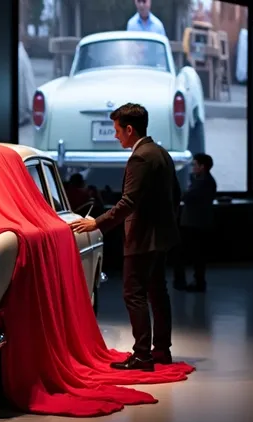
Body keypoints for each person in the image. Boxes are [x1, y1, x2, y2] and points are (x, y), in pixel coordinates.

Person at [70, 103, 180, 371]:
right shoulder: (161, 153)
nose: (116, 136)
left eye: (117, 130)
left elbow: (128, 202)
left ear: (130, 129)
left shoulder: (140, 157)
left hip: (143, 237)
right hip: (161, 236)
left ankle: (142, 355)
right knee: (158, 293)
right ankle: (161, 350)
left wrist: (96, 222)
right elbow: (176, 195)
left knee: (134, 294)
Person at [173, 153, 217, 292]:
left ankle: (192, 282)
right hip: (195, 223)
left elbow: (187, 196)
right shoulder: (202, 180)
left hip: (195, 224)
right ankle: (195, 281)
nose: (193, 167)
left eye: (195, 165)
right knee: (196, 255)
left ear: (202, 167)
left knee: (191, 255)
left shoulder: (204, 182)